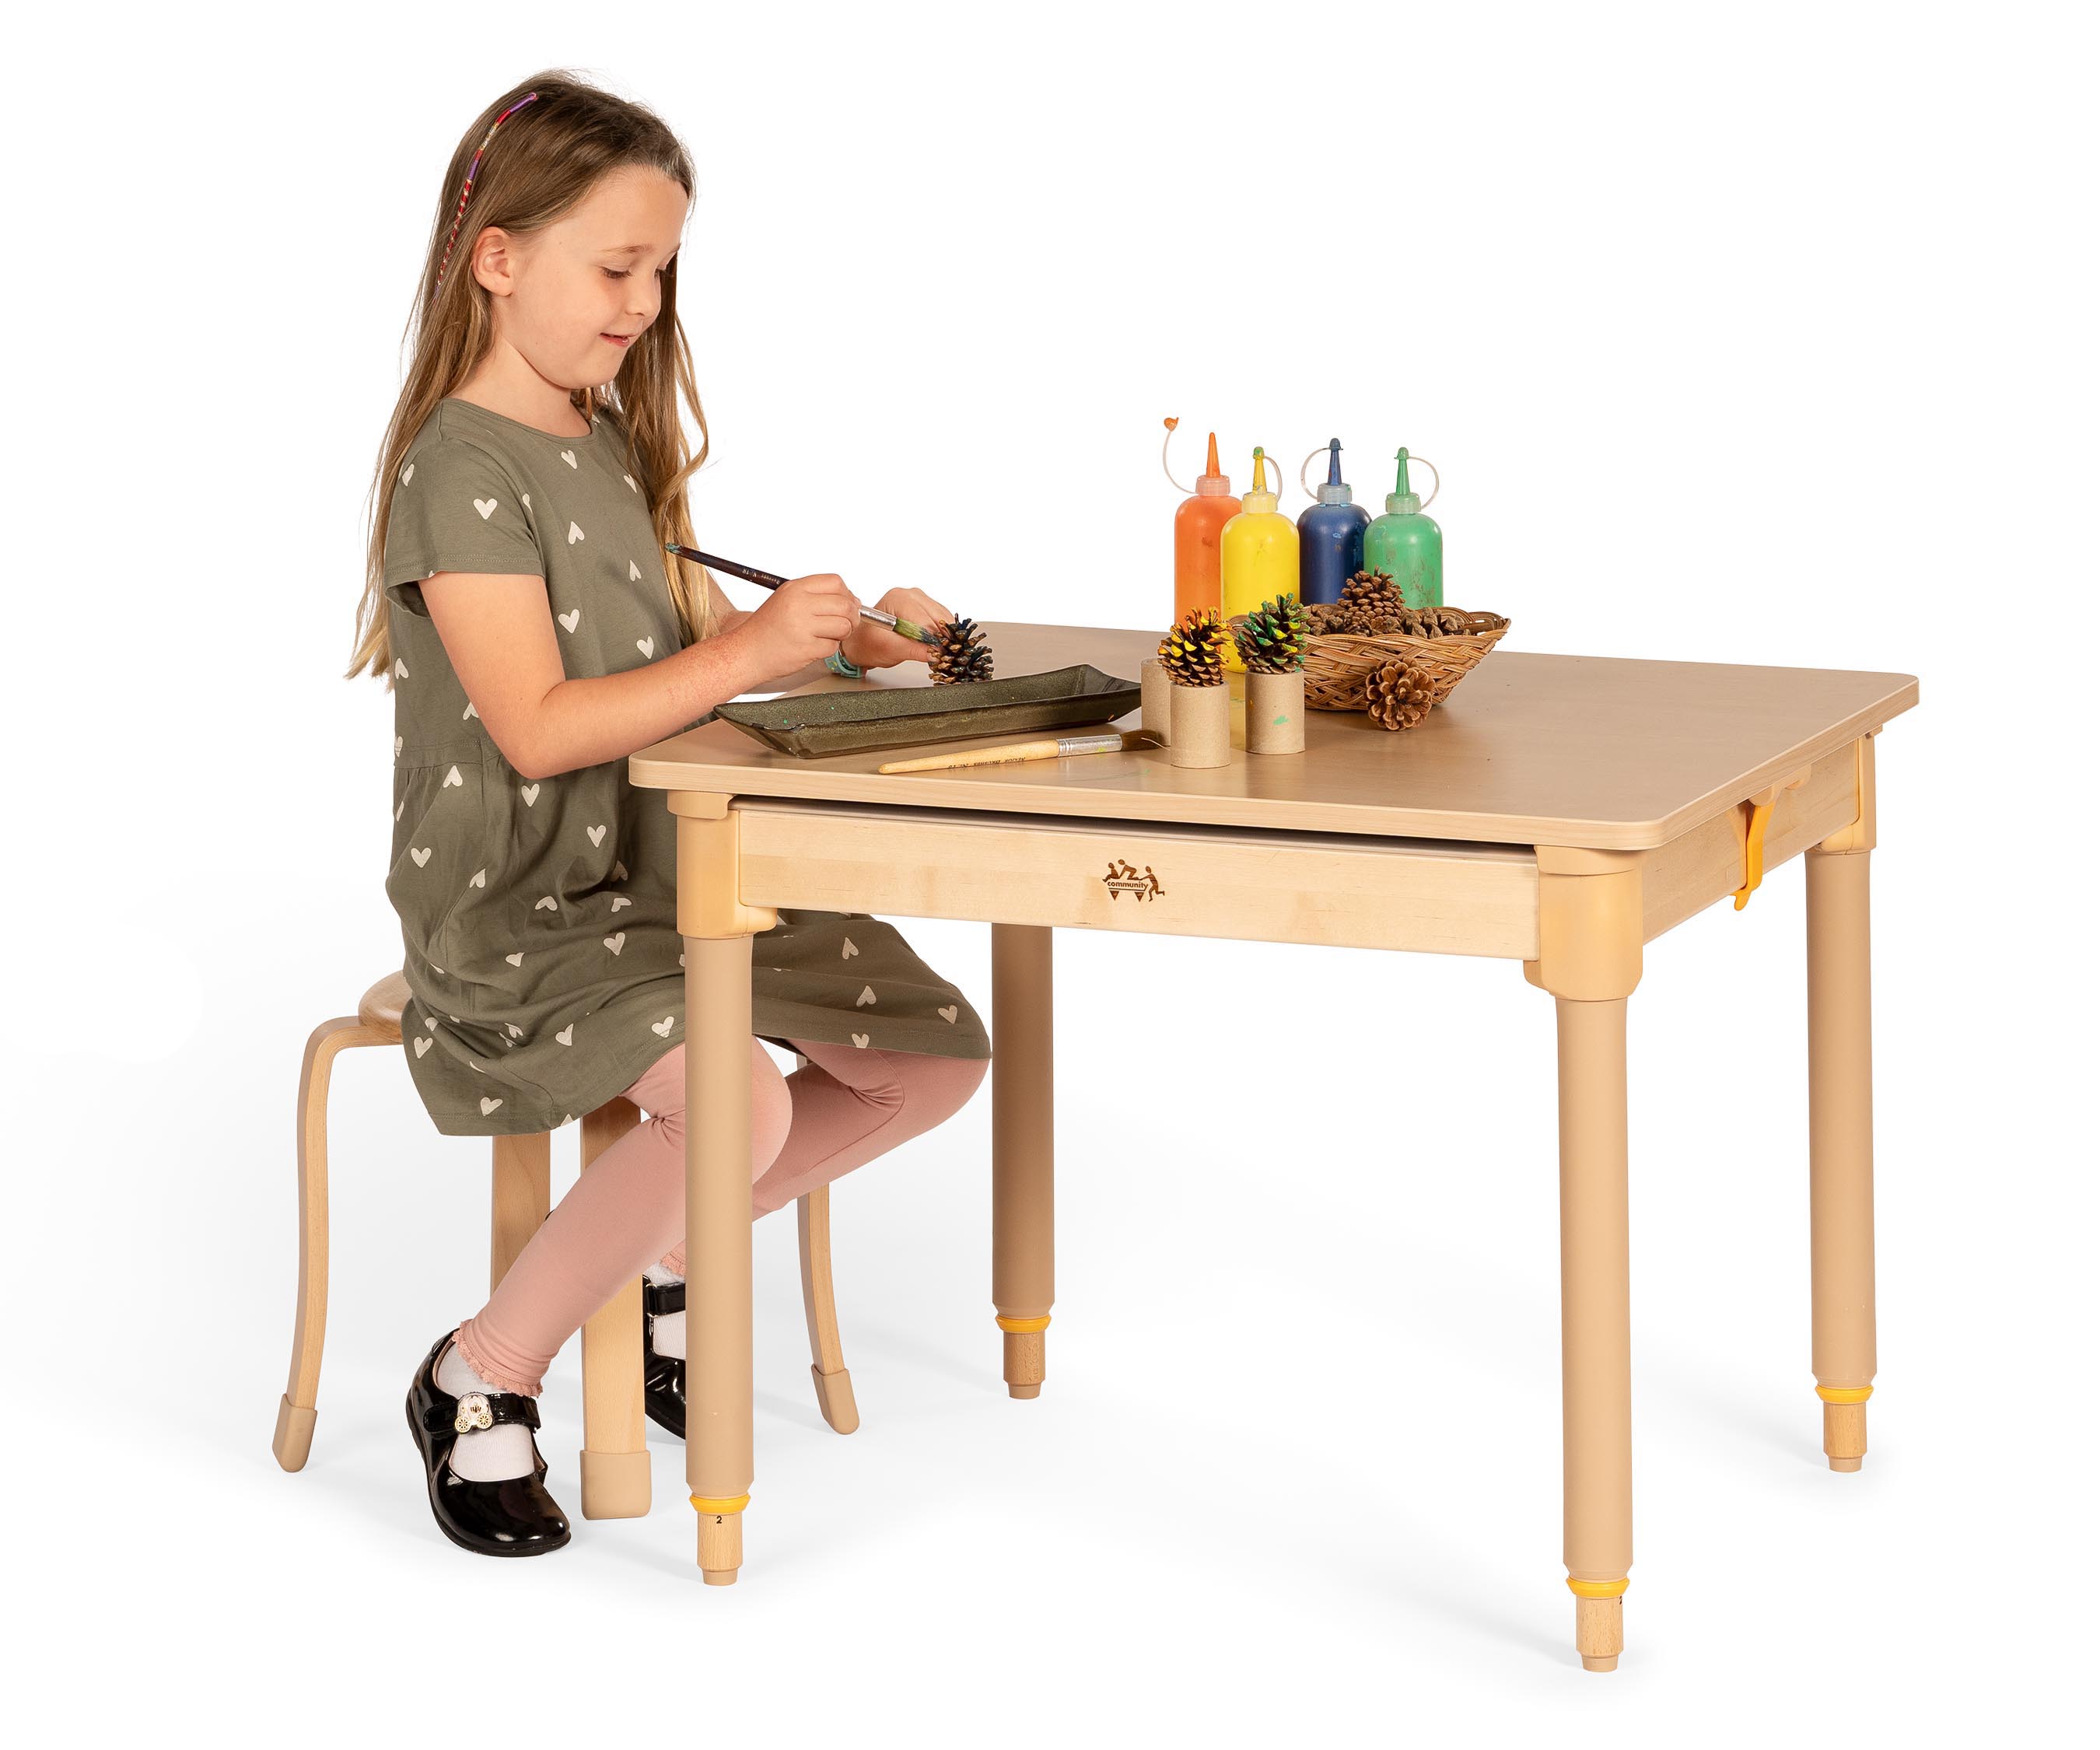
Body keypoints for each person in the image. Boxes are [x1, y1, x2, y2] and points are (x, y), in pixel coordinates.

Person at [346, 72, 991, 1557]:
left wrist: (841, 645)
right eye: (615, 266)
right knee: (746, 1099)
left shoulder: (606, 440)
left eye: (661, 270)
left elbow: (686, 665)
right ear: (496, 258)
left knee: (932, 1054)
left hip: (665, 873)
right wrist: (740, 656)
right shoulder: (460, 469)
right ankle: (479, 1374)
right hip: (524, 909)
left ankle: (644, 1263)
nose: (643, 301)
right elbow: (542, 722)